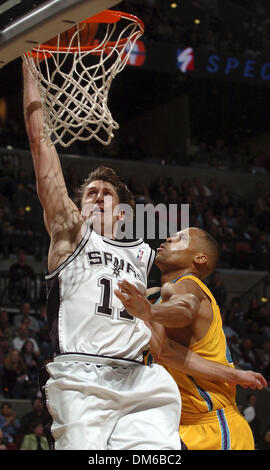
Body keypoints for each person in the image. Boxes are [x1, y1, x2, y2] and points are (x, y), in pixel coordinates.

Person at [23, 61, 182, 451]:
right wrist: (30, 66)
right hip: (81, 377)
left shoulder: (146, 253)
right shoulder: (70, 234)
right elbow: (41, 147)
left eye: (105, 193)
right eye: (89, 192)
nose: (95, 195)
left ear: (122, 213)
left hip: (140, 378)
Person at [115, 227, 267, 450]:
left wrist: (149, 313)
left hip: (214, 428)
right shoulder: (153, 295)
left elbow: (183, 308)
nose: (169, 238)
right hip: (176, 426)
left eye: (181, 238)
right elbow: (166, 351)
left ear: (200, 258)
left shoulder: (190, 285)